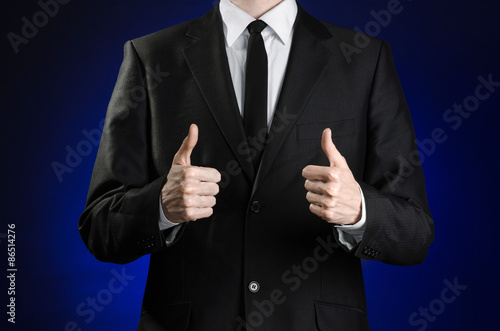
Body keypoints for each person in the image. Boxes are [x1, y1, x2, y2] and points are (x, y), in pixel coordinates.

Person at [79, 0, 434, 330]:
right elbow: (99, 227)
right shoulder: (150, 56)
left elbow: (415, 234)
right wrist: (160, 206)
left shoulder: (365, 60)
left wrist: (360, 211)